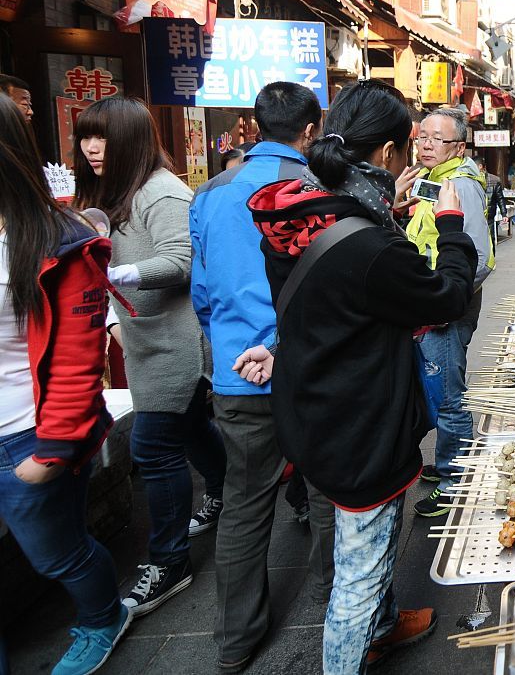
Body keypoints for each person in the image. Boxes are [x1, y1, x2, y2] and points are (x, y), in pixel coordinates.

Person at [247, 79, 476, 674]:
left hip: (315, 404)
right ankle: (355, 644)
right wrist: (450, 228)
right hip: (361, 424)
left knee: (366, 551)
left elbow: (330, 300)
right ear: (388, 153)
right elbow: (444, 296)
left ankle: (385, 622)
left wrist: (388, 212)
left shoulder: (300, 211)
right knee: (358, 571)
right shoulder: (369, 246)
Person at [189, 82, 335, 672]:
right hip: (309, 372)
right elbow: (329, 292)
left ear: (254, 125)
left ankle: (235, 639)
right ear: (311, 129)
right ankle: (338, 607)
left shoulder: (211, 193)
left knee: (245, 504)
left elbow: (201, 291)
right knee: (329, 493)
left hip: (237, 373)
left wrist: (235, 341)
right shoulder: (315, 192)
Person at [72, 96, 226, 618]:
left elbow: (182, 259)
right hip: (146, 338)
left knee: (153, 448)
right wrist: (115, 316)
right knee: (187, 428)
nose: (92, 147)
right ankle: (228, 492)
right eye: (86, 136)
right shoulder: (114, 191)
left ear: (133, 140)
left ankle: (169, 561)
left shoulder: (160, 192)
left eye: (104, 136)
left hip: (178, 341)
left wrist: (114, 276)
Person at [0, 94, 130, 675]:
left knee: (58, 553)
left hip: (26, 435)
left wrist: (52, 448)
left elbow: (80, 356)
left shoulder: (58, 238)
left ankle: (103, 615)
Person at [407, 107, 494, 518]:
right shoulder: (433, 178)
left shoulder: (460, 183)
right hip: (429, 301)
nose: (425, 144)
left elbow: (478, 256)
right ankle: (446, 460)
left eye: (435, 139)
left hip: (445, 308)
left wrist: (447, 299)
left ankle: (455, 480)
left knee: (449, 396)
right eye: (421, 136)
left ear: (458, 147)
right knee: (439, 386)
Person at [475, 155, 503, 243]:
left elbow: (500, 198)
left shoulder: (494, 180)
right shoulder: (472, 179)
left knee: (490, 239)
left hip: (489, 215)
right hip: (476, 215)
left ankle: (491, 255)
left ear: (480, 166)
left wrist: (504, 214)